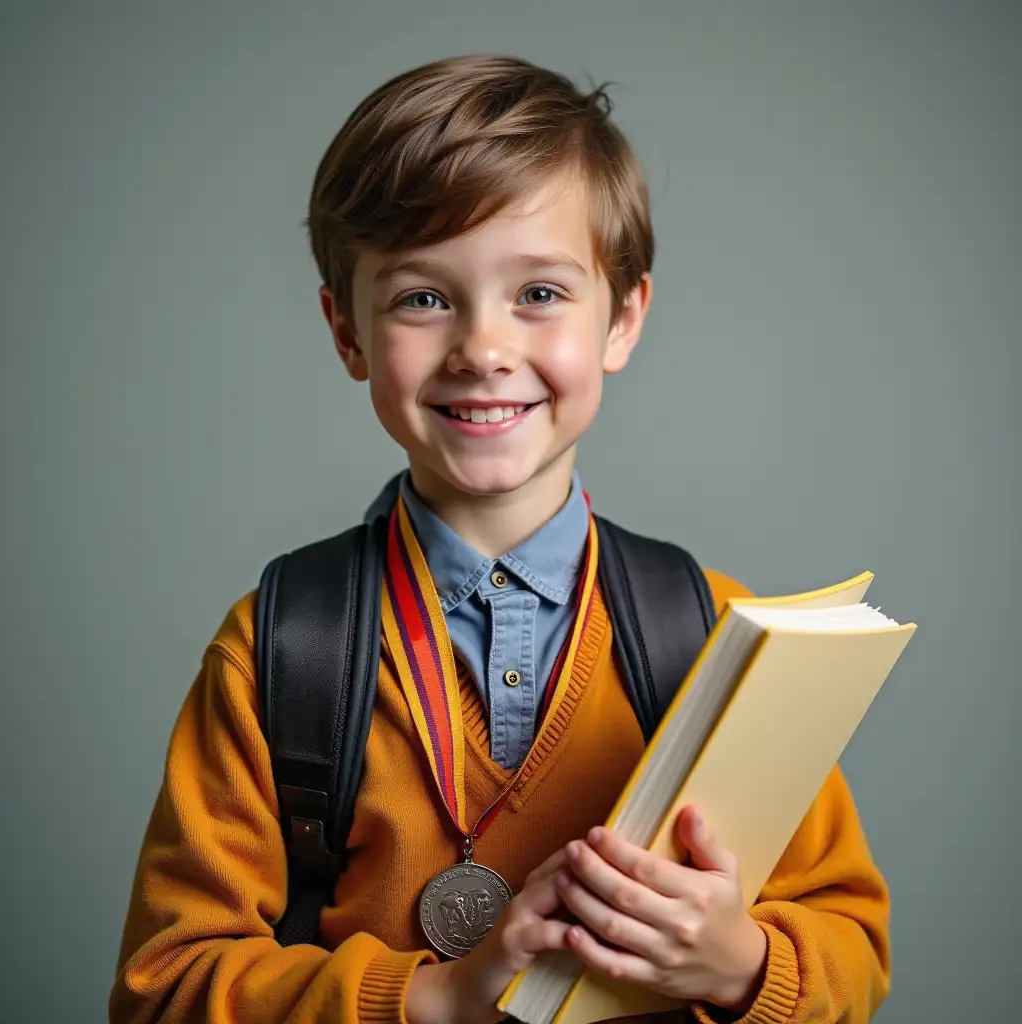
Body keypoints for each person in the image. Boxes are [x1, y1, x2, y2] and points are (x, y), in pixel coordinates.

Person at [109, 54, 890, 1024]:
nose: (484, 347)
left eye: (540, 294)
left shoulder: (720, 634)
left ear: (623, 317)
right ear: (346, 332)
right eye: (423, 298)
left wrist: (738, 966)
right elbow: (163, 988)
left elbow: (851, 947)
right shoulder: (278, 651)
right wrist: (435, 997)